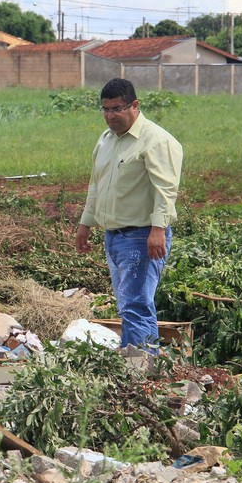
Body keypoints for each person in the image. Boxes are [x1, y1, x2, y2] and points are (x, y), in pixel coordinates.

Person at [75, 78, 183, 351]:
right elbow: (96, 183)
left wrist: (158, 230)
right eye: (105, 109)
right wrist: (85, 224)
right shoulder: (106, 139)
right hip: (114, 236)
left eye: (117, 109)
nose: (110, 116)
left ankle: (139, 370)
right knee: (131, 304)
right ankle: (146, 363)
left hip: (142, 236)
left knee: (134, 303)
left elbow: (165, 190)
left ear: (134, 106)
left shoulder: (157, 140)